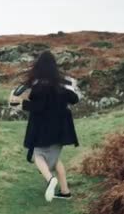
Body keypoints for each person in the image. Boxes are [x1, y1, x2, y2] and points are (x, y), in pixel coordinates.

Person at [9, 51, 80, 202]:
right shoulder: (63, 83)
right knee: (55, 159)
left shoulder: (38, 84)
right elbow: (74, 99)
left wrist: (21, 104)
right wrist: (70, 87)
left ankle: (50, 180)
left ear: (38, 66)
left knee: (37, 155)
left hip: (42, 127)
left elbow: (39, 106)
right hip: (61, 128)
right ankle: (65, 191)